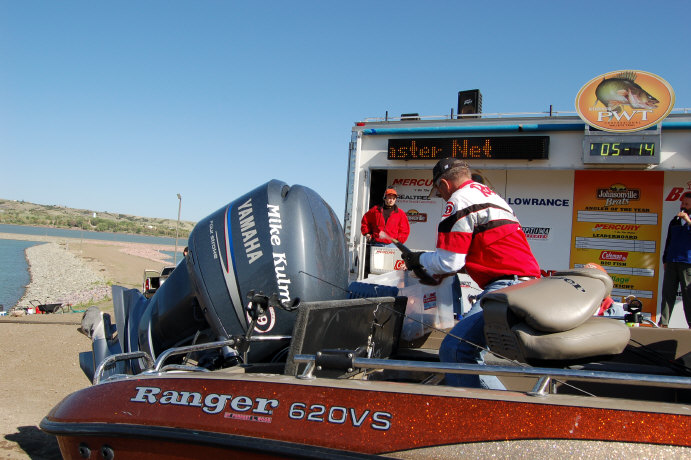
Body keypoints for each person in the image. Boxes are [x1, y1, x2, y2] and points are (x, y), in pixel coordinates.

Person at [402, 158, 540, 389]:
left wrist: (419, 258)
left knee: (456, 350)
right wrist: (438, 268)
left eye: (439, 191)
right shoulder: (490, 196)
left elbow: (448, 262)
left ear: (444, 184)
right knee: (466, 351)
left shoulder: (459, 200)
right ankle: (499, 407)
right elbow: (484, 252)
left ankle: (481, 411)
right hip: (523, 284)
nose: (441, 196)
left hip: (506, 289)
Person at [659, 192, 691, 328]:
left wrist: (688, 221)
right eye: (682, 203)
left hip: (687, 263)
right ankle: (663, 323)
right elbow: (668, 241)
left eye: (687, 204)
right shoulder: (675, 221)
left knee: (688, 294)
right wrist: (665, 259)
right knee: (668, 293)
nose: (683, 206)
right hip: (672, 261)